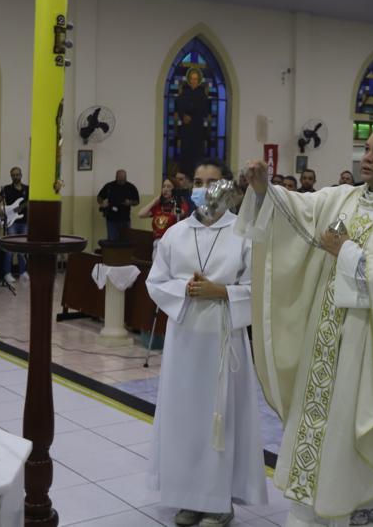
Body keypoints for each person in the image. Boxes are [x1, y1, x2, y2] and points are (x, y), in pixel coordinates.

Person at [236, 125, 373, 526]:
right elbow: (296, 212)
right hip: (324, 351)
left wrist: (348, 253)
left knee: (359, 447)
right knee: (320, 447)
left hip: (372, 357)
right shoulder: (344, 199)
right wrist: (265, 187)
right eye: (366, 149)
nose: (367, 158)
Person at [146, 158, 266, 526]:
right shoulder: (175, 234)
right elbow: (156, 281)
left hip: (223, 337)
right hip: (184, 339)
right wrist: (185, 289)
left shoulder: (243, 233)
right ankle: (187, 497)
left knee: (220, 419)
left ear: (228, 187)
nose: (204, 188)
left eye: (212, 181)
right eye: (198, 181)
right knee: (184, 418)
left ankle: (217, 502)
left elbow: (258, 287)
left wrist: (221, 291)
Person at [0, 166, 29, 284]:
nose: (15, 177)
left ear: (21, 175)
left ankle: (23, 272)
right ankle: (7, 273)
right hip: (11, 222)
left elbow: (32, 203)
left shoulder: (27, 189)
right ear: (11, 176)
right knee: (9, 248)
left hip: (24, 222)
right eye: (13, 175)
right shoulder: (6, 189)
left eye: (17, 174)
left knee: (22, 247)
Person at [176, 68, 211, 176]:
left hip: (198, 129)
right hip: (186, 129)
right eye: (192, 79)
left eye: (196, 79)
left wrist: (194, 113)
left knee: (197, 155)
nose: (194, 81)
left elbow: (206, 111)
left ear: (199, 80)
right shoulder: (184, 93)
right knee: (186, 154)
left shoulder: (202, 94)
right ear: (189, 80)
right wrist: (183, 116)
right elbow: (178, 108)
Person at [139, 178, 192, 247]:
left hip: (172, 242)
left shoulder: (181, 204)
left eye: (169, 187)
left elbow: (177, 214)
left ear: (175, 189)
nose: (165, 189)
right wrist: (154, 201)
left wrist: (176, 200)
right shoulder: (159, 206)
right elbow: (141, 214)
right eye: (164, 186)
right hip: (158, 242)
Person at [98, 169, 140, 242]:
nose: (121, 181)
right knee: (112, 242)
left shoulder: (131, 187)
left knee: (126, 242)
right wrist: (102, 204)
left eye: (123, 179)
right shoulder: (109, 186)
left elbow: (137, 201)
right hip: (111, 220)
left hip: (125, 219)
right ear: (116, 177)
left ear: (126, 178)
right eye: (119, 179)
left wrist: (130, 202)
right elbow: (99, 197)